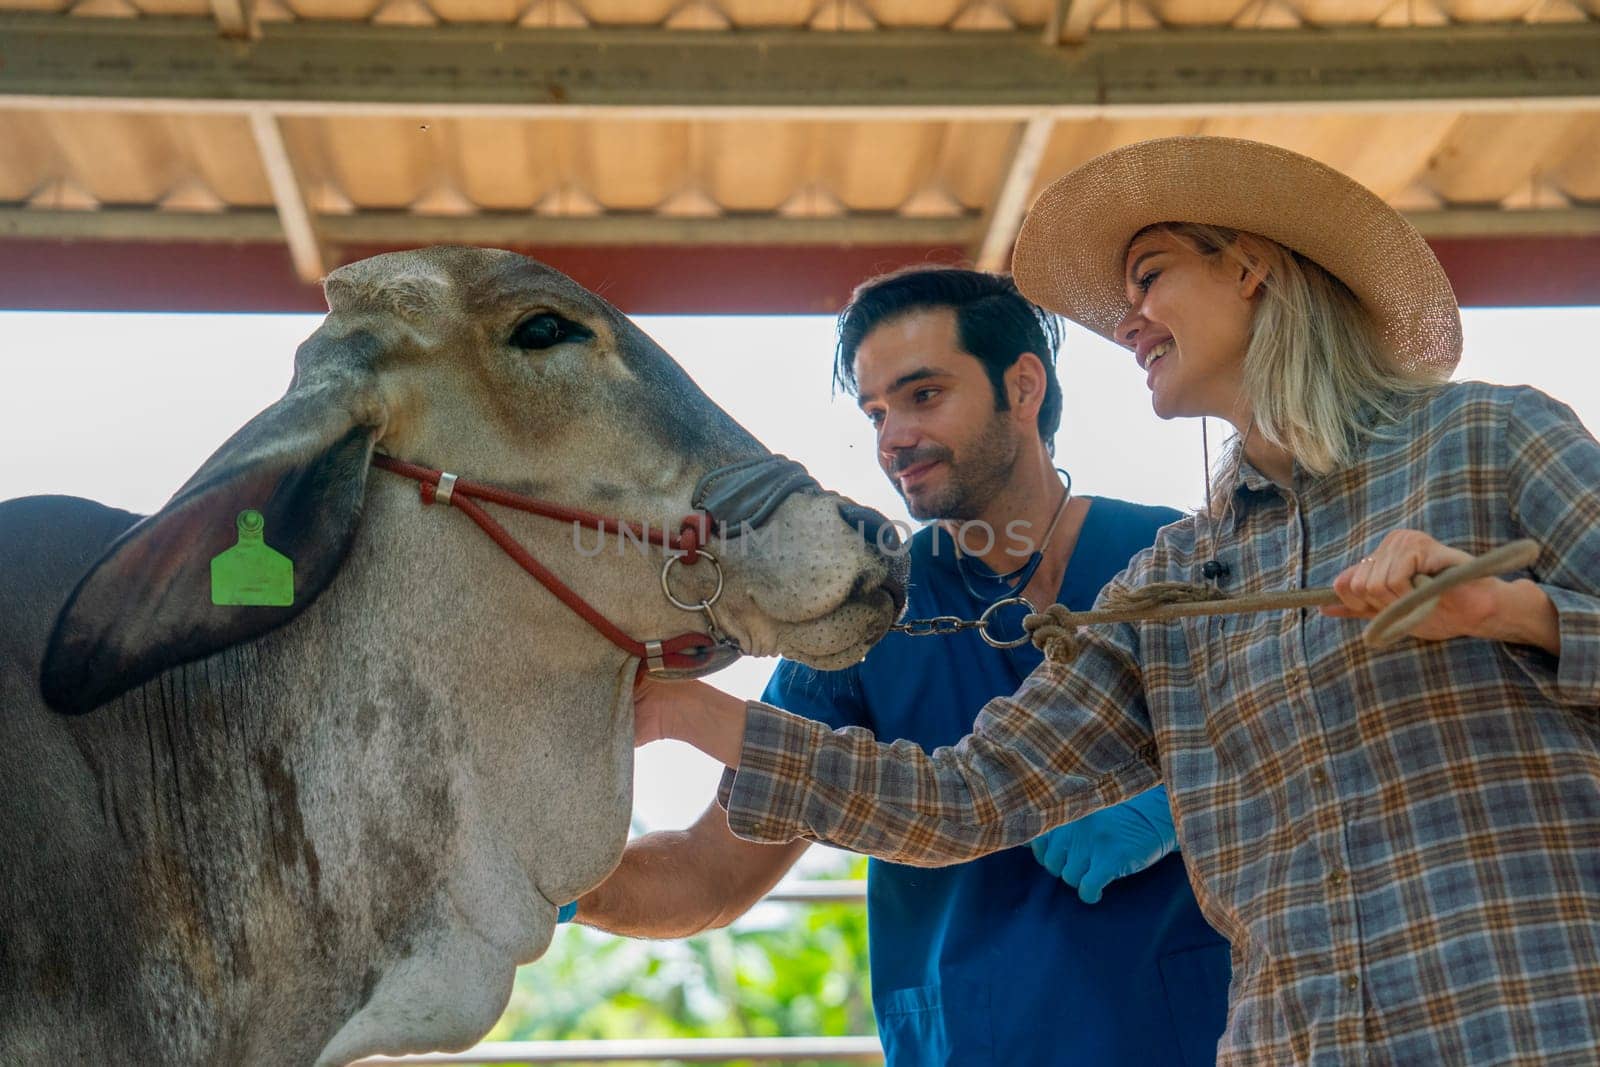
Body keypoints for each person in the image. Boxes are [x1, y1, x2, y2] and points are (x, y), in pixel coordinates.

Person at [636, 137, 1600, 1066]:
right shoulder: (1178, 580)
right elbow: (962, 796)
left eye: (1149, 277)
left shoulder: (1490, 439)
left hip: (1524, 1020)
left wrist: (1515, 615)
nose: (1127, 320)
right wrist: (685, 708)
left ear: (1251, 267)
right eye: (876, 410)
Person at [576, 267, 1231, 1065]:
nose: (892, 438)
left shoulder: (1178, 561)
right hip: (969, 1041)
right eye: (876, 409)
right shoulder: (867, 615)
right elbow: (713, 873)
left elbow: (1319, 751)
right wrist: (568, 886)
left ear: (1022, 386)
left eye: (923, 395)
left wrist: (1183, 800)